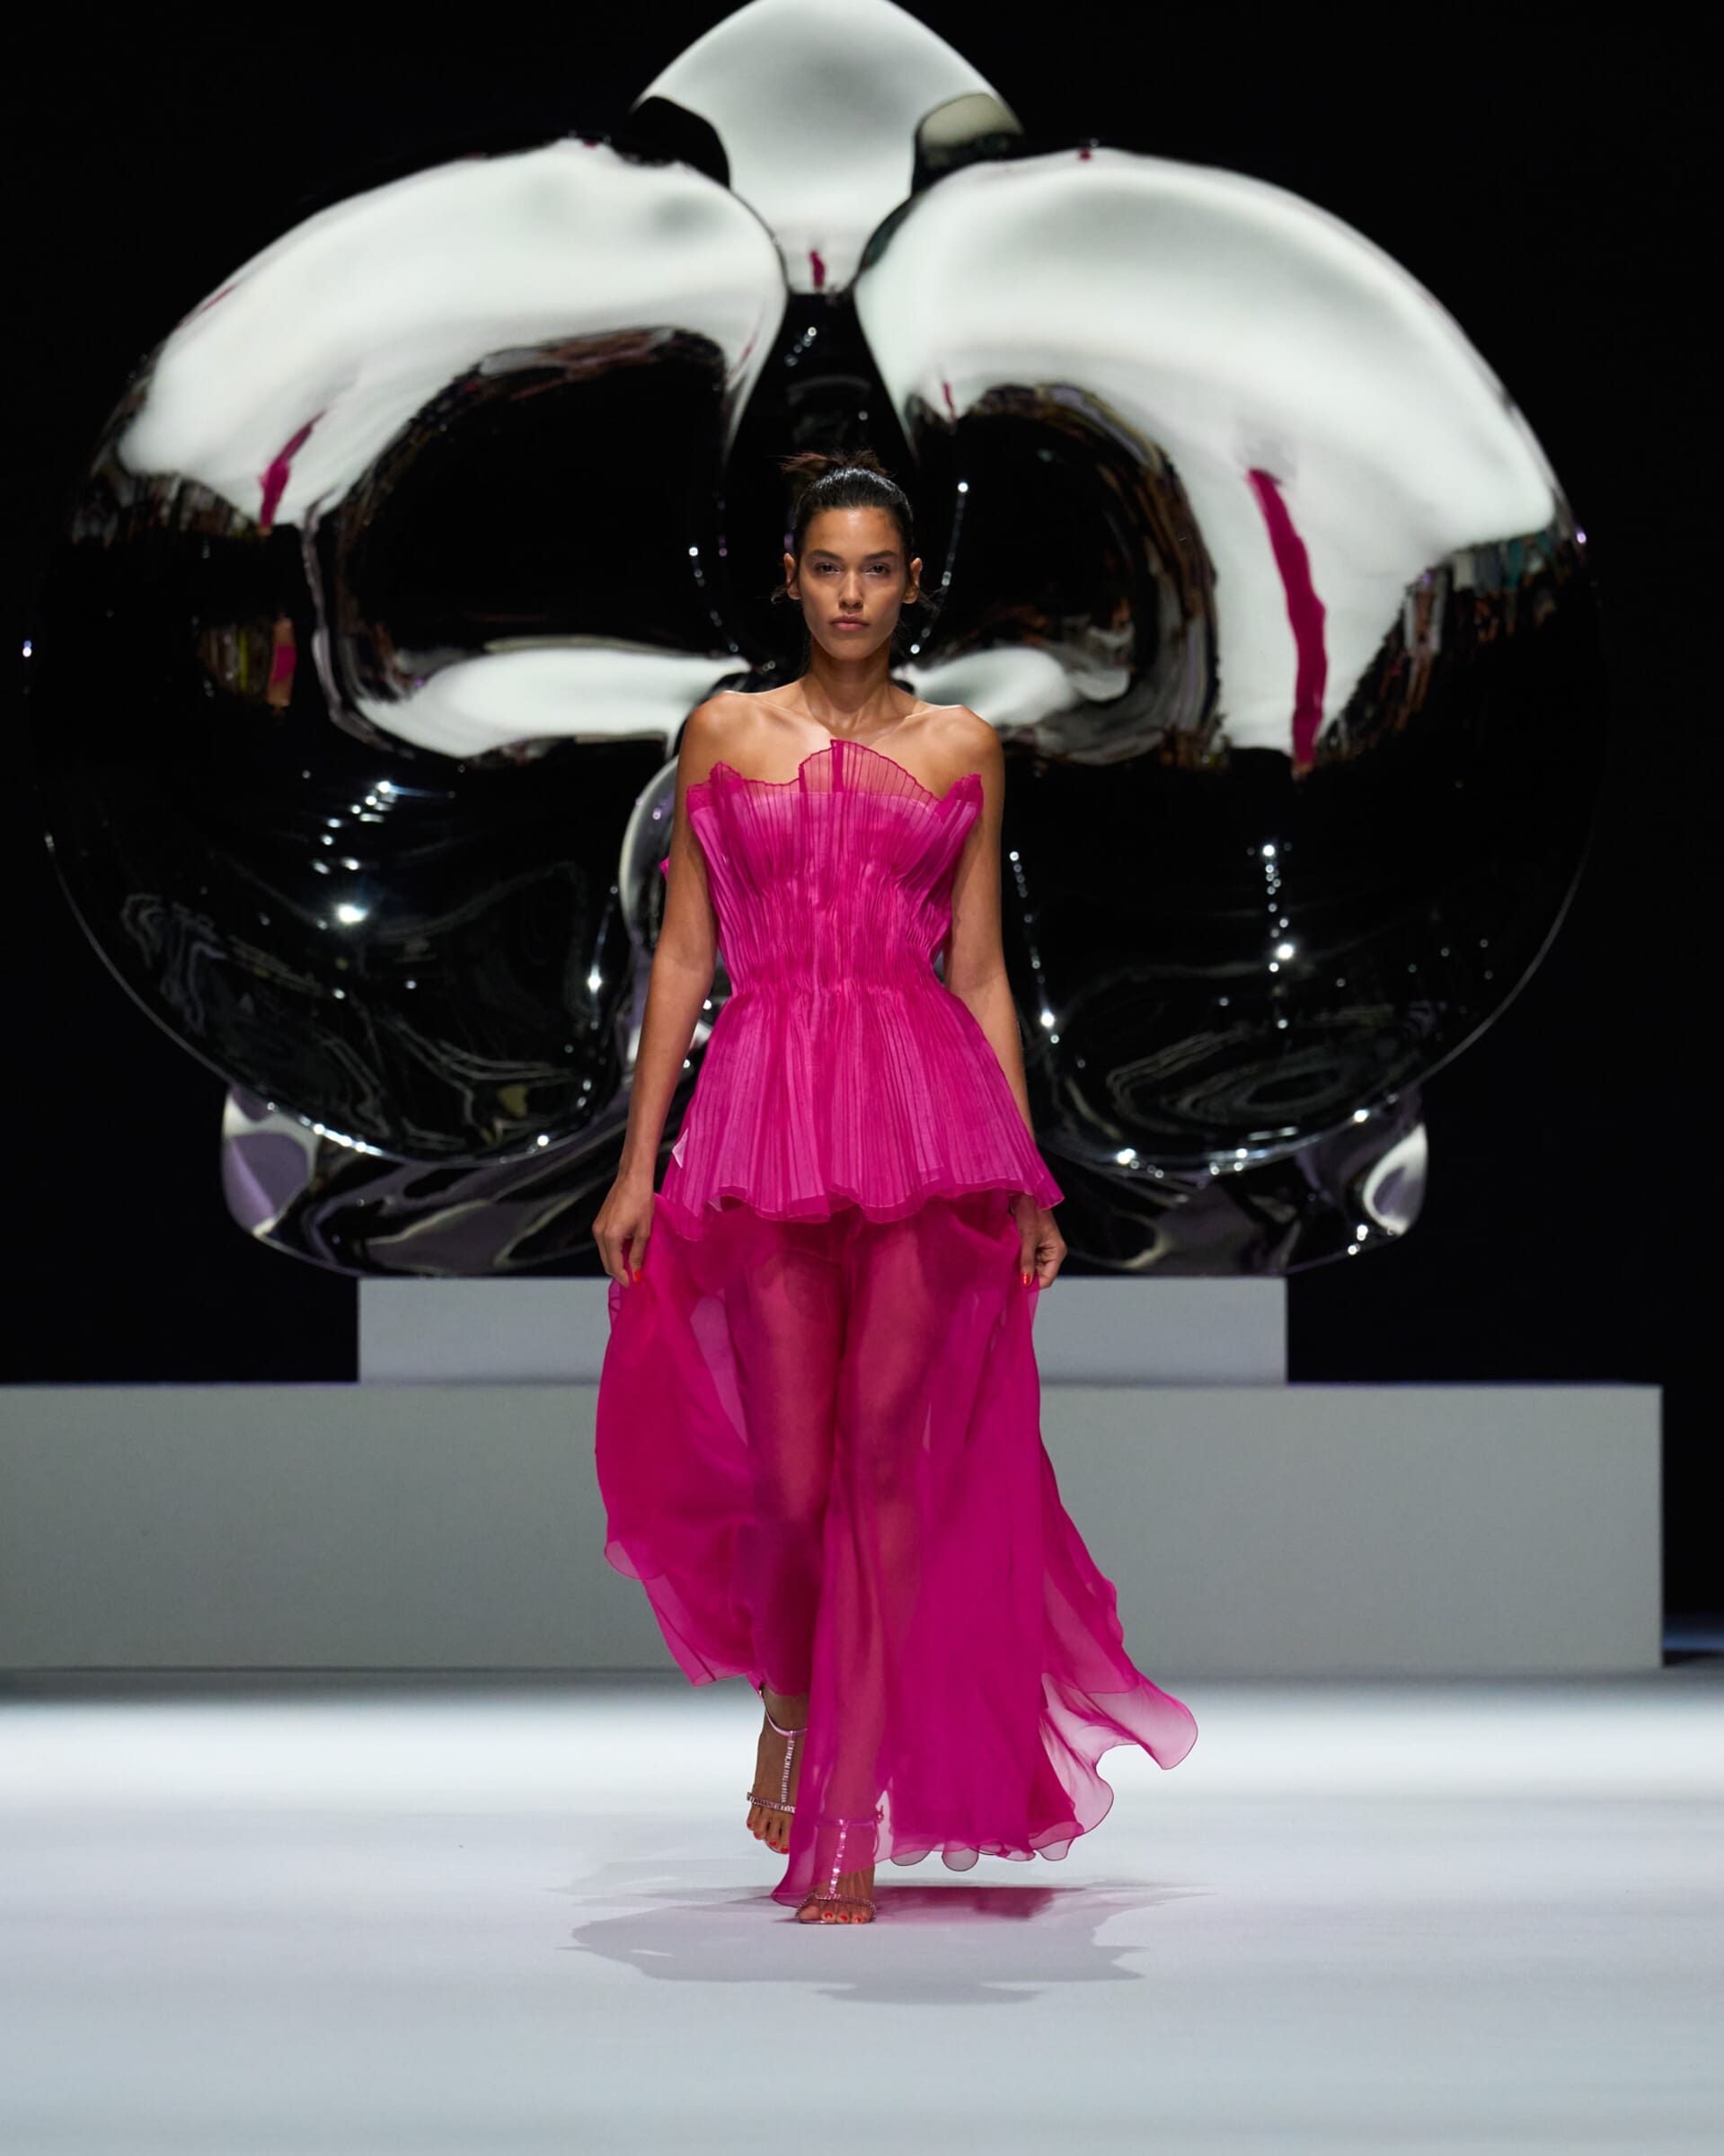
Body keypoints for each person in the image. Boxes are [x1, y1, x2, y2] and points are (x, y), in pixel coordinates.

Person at [593, 448, 1198, 1925]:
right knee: (792, 1487)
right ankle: (791, 1705)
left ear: (912, 584)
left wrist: (1029, 1175)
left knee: (881, 1472)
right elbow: (684, 956)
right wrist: (636, 1161)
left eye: (877, 569)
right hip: (765, 1117)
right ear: (791, 581)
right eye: (828, 567)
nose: (852, 593)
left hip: (925, 1127)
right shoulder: (723, 733)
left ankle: (847, 1809)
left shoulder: (964, 747)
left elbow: (980, 970)